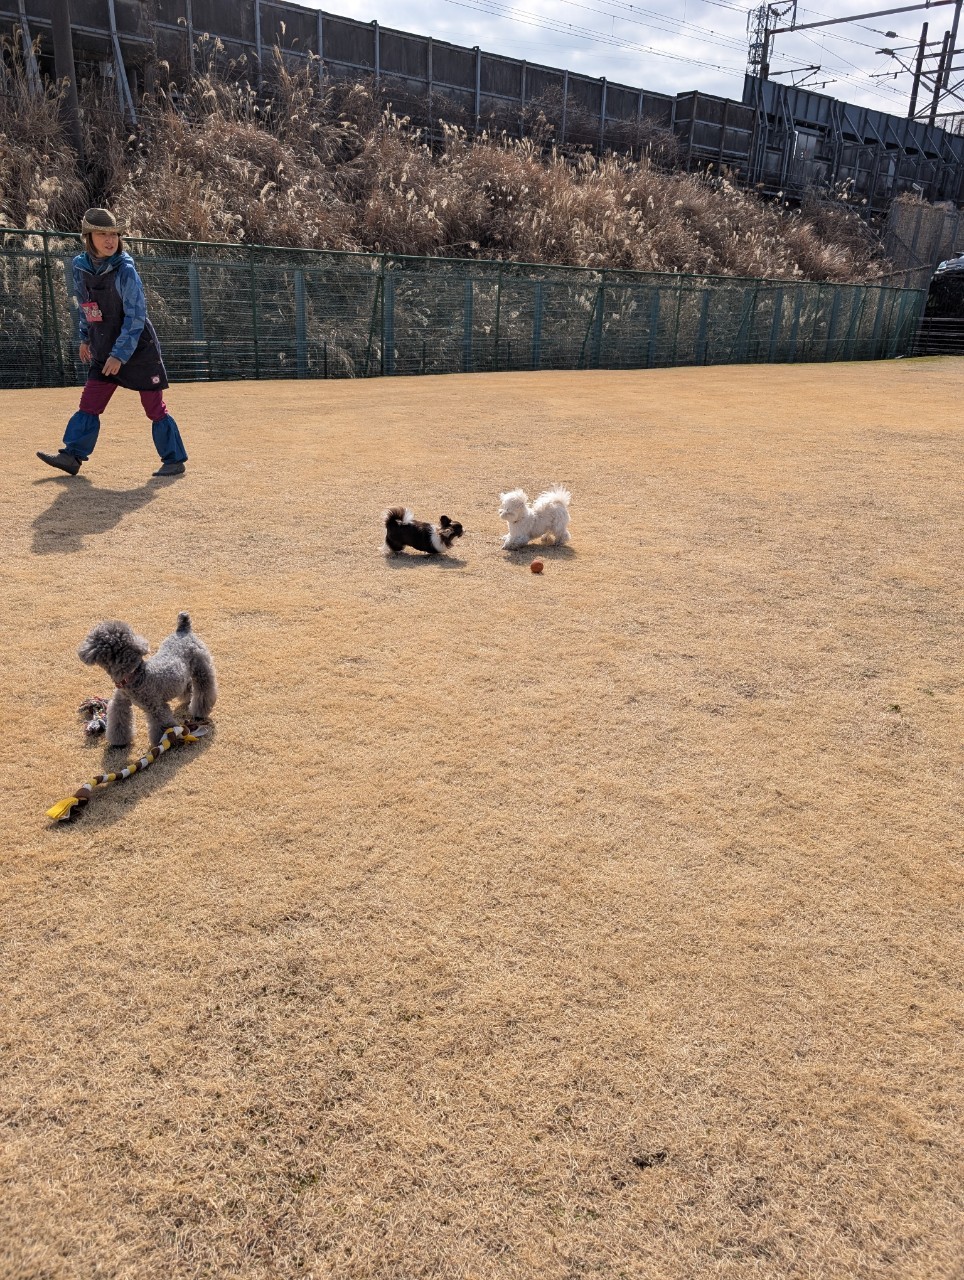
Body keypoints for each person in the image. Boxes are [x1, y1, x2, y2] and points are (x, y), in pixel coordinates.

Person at [37, 208, 188, 478]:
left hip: (138, 350)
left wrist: (119, 354)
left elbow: (136, 316)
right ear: (88, 237)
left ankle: (174, 460)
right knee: (90, 403)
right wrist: (85, 337)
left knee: (154, 408)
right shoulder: (80, 267)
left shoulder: (125, 269)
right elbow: (86, 306)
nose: (110, 240)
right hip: (103, 347)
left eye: (114, 234)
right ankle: (72, 456)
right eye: (102, 234)